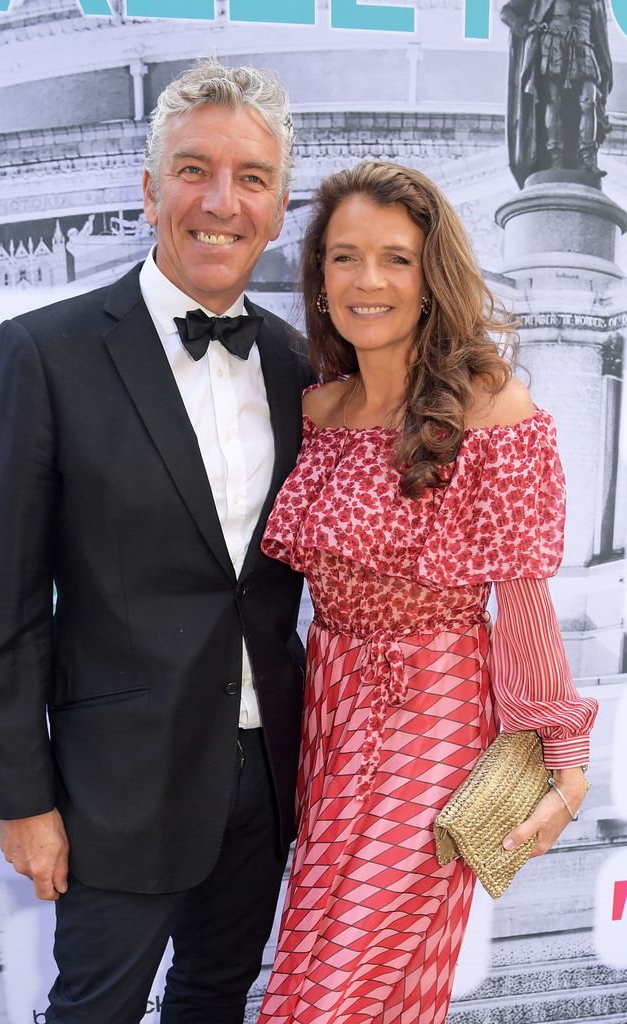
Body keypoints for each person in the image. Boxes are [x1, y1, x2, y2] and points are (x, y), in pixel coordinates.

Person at [0, 59, 311, 1024]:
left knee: (214, 998)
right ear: (148, 188)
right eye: (193, 169)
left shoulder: (298, 364)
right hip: (112, 787)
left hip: (267, 775)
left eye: (250, 179)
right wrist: (23, 801)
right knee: (96, 1011)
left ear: (279, 208)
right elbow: (3, 604)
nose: (219, 202)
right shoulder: (41, 353)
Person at [256, 161, 598, 1024]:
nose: (367, 281)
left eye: (395, 259)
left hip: (435, 708)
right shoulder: (314, 412)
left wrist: (562, 758)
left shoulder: (490, 407)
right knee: (359, 983)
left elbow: (520, 597)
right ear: (319, 278)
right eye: (344, 258)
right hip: (329, 718)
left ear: (429, 274)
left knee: (328, 998)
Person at [501, 0, 612, 185]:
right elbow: (507, 12)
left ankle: (588, 160)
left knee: (589, 101)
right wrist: (527, 28)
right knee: (553, 102)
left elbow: (599, 34)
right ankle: (555, 160)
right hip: (552, 46)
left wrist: (605, 72)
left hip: (584, 49)